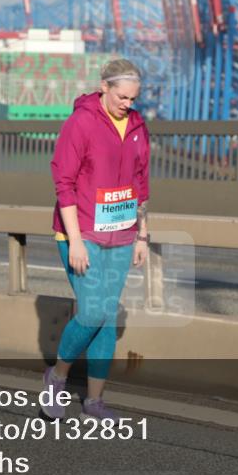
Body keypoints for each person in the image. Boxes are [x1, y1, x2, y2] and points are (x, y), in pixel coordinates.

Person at [41, 58, 150, 422]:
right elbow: (64, 184)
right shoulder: (81, 122)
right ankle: (56, 377)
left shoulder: (137, 126)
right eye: (122, 97)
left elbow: (141, 184)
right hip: (81, 232)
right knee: (92, 312)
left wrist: (142, 235)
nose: (128, 105)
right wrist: (74, 240)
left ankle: (94, 402)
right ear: (103, 86)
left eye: (133, 99)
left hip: (121, 234)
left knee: (108, 316)